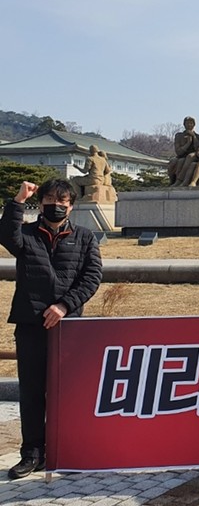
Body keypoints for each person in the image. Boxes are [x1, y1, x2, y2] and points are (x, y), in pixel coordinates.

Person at [0, 179, 103, 479]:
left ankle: (66, 450)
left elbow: (92, 276)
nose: (55, 205)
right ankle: (32, 453)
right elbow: (6, 235)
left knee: (68, 392)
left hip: (69, 327)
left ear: (71, 206)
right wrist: (18, 201)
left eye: (62, 201)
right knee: (31, 392)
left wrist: (64, 306)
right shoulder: (26, 234)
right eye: (49, 200)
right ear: (41, 203)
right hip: (31, 323)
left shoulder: (84, 237)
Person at [168, 116, 199, 186]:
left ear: (194, 124)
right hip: (181, 156)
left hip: (193, 157)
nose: (189, 125)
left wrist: (194, 137)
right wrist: (188, 143)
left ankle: (179, 180)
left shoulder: (198, 136)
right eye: (187, 123)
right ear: (184, 124)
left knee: (184, 160)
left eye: (191, 123)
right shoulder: (179, 136)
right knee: (173, 161)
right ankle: (172, 181)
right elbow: (178, 152)